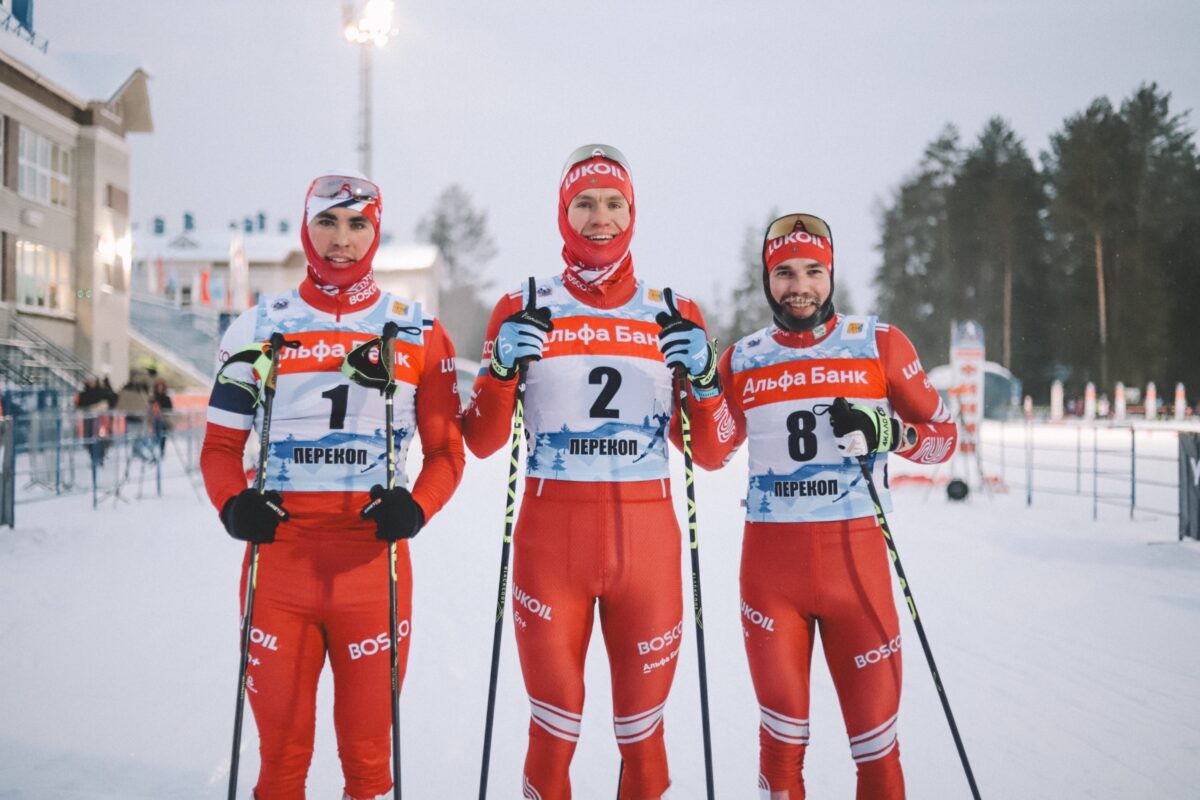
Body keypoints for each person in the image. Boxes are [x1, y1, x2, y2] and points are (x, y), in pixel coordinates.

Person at [462, 144, 733, 800]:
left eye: (614, 203)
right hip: (551, 546)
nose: (599, 217)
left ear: (632, 212)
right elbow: (483, 440)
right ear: (563, 212)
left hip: (649, 550)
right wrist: (499, 371)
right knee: (552, 736)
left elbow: (714, 451)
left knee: (644, 742)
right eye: (584, 203)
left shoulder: (674, 309)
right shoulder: (522, 304)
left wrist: (703, 379)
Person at [200, 170, 465, 800]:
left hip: (374, 570)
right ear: (306, 226)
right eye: (327, 221)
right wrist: (233, 505)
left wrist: (417, 507)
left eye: (357, 224)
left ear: (375, 232)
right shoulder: (257, 328)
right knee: (282, 760)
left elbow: (447, 452)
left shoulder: (417, 331)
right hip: (279, 568)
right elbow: (219, 447)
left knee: (369, 766)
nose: (340, 240)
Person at [689, 213, 957, 799]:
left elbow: (943, 435)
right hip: (771, 580)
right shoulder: (743, 359)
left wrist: (894, 433)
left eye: (813, 270)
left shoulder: (879, 343)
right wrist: (704, 386)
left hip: (858, 572)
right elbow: (709, 455)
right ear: (767, 280)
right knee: (781, 750)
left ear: (831, 274)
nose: (800, 285)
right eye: (784, 272)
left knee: (878, 753)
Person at [150, 379, 173, 456]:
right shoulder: (154, 398)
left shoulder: (166, 398)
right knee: (154, 436)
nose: (160, 389)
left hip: (163, 420)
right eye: (158, 387)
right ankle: (154, 452)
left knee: (162, 436)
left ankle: (161, 451)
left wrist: (163, 411)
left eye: (161, 387)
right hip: (154, 420)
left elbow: (170, 409)